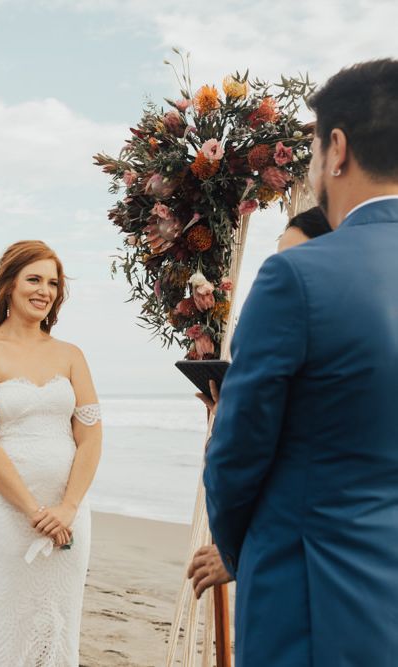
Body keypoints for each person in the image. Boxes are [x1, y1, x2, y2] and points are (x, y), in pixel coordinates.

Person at [193, 59, 398, 666]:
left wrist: (237, 549)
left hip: (319, 592)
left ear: (337, 149)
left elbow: (237, 448)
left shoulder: (297, 276)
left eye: (311, 148)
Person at [0, 240, 102, 665]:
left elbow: (91, 437)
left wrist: (68, 507)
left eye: (53, 283)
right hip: (6, 514)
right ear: (8, 284)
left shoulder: (70, 354)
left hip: (69, 514)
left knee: (58, 620)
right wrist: (33, 511)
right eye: (34, 279)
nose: (44, 290)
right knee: (4, 620)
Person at [187, 206, 331, 596]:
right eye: (280, 260)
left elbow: (250, 458)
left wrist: (235, 553)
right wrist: (228, 411)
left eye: (297, 260)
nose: (284, 273)